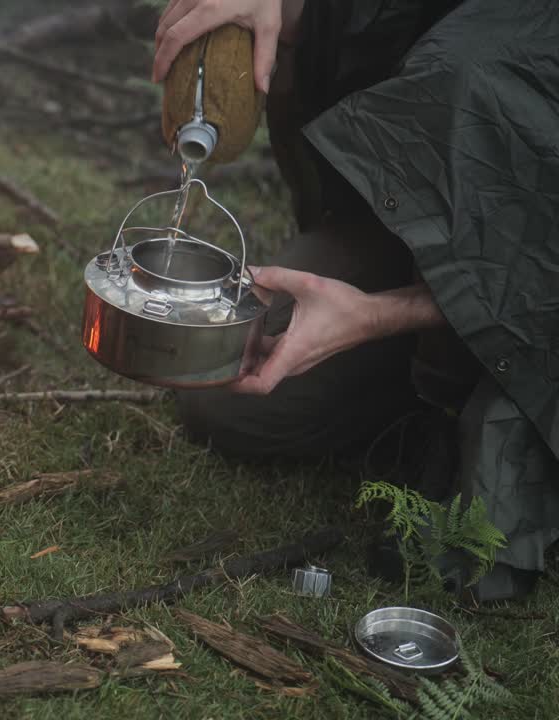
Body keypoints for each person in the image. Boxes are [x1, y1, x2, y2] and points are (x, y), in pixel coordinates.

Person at [152, 0, 559, 601]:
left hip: (538, 297)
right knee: (229, 396)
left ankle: (456, 409)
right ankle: (421, 398)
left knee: (477, 547)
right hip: (453, 222)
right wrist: (293, 14)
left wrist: (378, 316)